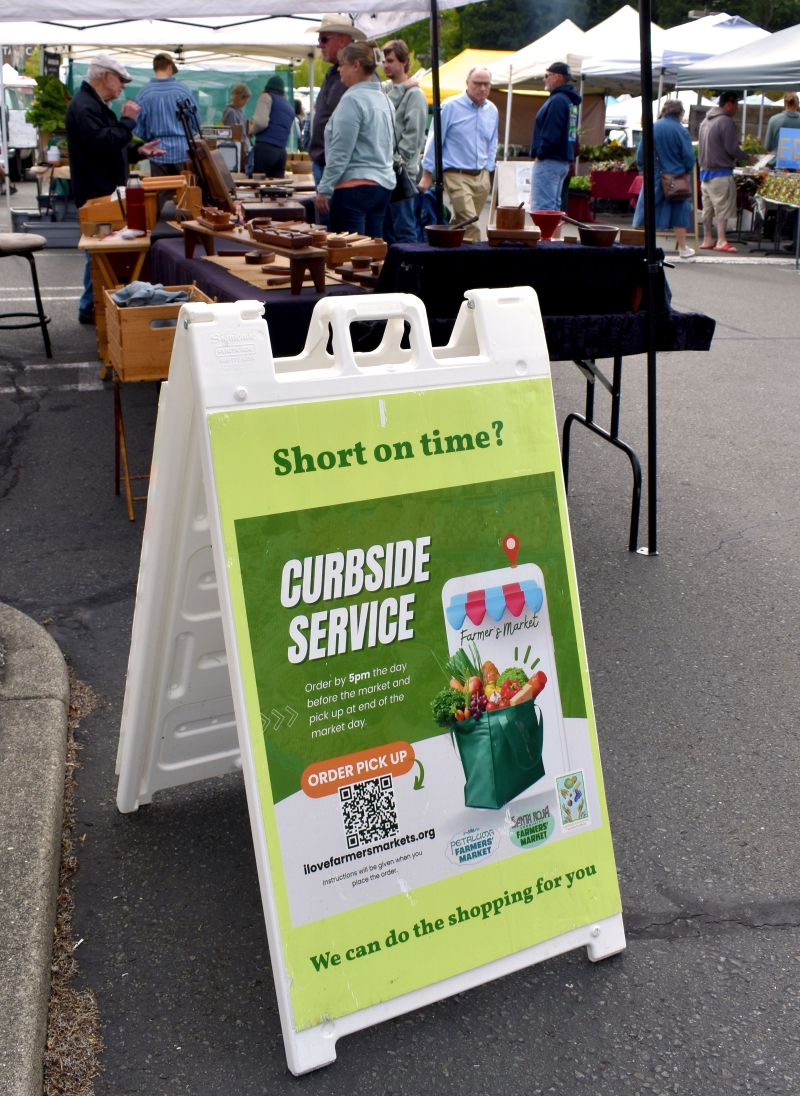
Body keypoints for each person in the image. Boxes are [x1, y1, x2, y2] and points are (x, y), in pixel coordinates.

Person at [65, 53, 164, 324]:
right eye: (120, 79)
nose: (122, 85)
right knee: (98, 254)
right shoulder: (85, 106)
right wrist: (128, 121)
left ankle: (91, 305)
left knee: (99, 254)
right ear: (105, 76)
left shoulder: (93, 104)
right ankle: (90, 307)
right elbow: (103, 143)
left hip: (102, 190)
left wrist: (137, 151)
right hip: (97, 194)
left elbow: (109, 148)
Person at [314, 41, 395, 235]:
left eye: (342, 64)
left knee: (349, 257)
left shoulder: (352, 100)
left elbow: (341, 151)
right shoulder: (384, 99)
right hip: (382, 186)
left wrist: (324, 189)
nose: (339, 68)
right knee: (372, 255)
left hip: (353, 187)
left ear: (356, 66)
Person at [419, 66, 498, 242]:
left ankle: (450, 251)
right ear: (467, 83)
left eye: (487, 84)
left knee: (461, 223)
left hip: (481, 175)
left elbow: (492, 142)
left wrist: (489, 169)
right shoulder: (450, 106)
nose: (483, 88)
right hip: (456, 174)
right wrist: (427, 174)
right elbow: (434, 140)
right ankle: (476, 262)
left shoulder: (492, 110)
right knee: (471, 225)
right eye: (477, 83)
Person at [307, 14, 367, 193]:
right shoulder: (334, 73)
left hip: (339, 170)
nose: (319, 45)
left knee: (336, 219)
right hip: (326, 163)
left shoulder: (357, 77)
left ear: (341, 41)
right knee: (328, 220)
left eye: (324, 39)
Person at [632, 99, 697, 259]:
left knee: (646, 208)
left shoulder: (652, 127)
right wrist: (687, 170)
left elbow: (641, 153)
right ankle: (682, 248)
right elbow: (689, 157)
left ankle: (639, 245)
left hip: (654, 174)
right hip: (676, 177)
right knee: (679, 212)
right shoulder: (681, 131)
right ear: (680, 113)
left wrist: (642, 167)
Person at [380, 38, 428, 243]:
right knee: (386, 231)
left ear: (404, 62)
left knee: (405, 230)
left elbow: (413, 137)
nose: (385, 65)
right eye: (383, 61)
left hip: (402, 173)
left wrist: (402, 168)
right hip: (383, 170)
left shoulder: (415, 95)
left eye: (390, 60)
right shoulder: (383, 89)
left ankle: (410, 274)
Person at [698, 91, 756, 253]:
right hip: (721, 172)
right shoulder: (726, 122)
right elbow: (731, 149)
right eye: (736, 104)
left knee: (707, 208)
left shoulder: (705, 121)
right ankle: (722, 240)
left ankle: (707, 238)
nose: (737, 108)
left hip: (705, 172)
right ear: (729, 104)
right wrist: (748, 157)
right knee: (722, 206)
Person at [133, 53, 200, 176]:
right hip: (183, 151)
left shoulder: (144, 93)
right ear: (170, 67)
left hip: (157, 151)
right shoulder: (183, 91)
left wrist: (150, 140)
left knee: (161, 191)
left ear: (155, 68)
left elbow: (136, 124)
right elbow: (196, 122)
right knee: (185, 193)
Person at [529, 62, 581, 213]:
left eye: (546, 75)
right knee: (554, 209)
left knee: (542, 210)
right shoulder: (569, 100)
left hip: (549, 160)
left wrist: (540, 155)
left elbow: (551, 133)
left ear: (556, 77)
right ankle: (551, 237)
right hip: (562, 161)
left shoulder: (558, 100)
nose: (544, 79)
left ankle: (545, 237)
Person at [250, 74, 295, 177]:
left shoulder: (266, 97)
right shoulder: (289, 107)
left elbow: (261, 122)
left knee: (258, 185)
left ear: (268, 87)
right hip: (281, 152)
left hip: (265, 149)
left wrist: (251, 130)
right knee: (277, 189)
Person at [222, 83, 252, 159]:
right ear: (238, 97)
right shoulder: (231, 112)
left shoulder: (239, 111)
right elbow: (232, 136)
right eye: (244, 98)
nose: (246, 101)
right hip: (239, 153)